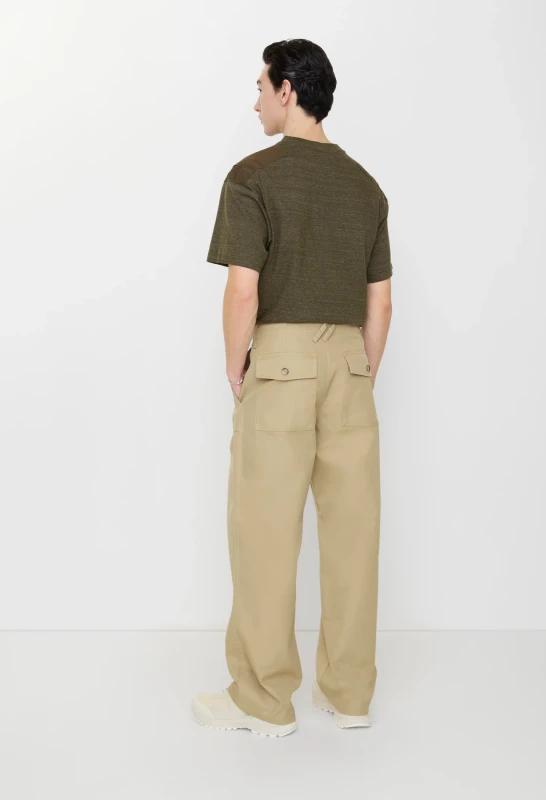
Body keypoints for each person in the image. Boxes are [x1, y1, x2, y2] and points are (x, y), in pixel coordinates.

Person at [192, 39, 393, 737]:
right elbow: (380, 302)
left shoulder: (253, 177)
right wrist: (359, 370)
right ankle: (349, 694)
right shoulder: (366, 187)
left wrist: (236, 368)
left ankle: (263, 700)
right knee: (354, 535)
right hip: (351, 365)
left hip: (277, 365)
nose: (254, 101)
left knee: (265, 532)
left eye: (260, 87)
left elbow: (242, 291)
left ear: (287, 91)